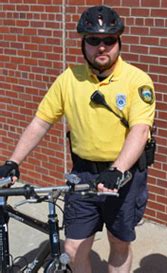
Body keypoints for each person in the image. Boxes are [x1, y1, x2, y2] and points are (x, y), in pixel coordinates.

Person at [0, 5, 155, 273]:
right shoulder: (68, 79)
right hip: (83, 174)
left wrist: (117, 170)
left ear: (119, 41)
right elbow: (41, 122)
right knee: (73, 248)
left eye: (109, 40)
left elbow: (140, 131)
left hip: (124, 176)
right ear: (83, 43)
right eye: (94, 40)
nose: (102, 47)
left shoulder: (137, 80)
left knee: (118, 243)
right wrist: (13, 161)